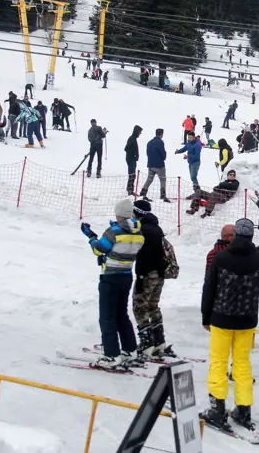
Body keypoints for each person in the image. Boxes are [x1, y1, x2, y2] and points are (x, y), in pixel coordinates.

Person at [201, 218, 259, 431]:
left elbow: (209, 288)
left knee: (218, 362)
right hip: (247, 321)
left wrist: (205, 317)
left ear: (235, 235)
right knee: (242, 364)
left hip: (221, 319)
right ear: (252, 236)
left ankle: (217, 410)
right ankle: (243, 410)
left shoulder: (221, 258)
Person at [80, 198, 141, 368]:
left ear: (118, 214)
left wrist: (91, 237)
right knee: (121, 314)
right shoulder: (138, 232)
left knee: (107, 317)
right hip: (127, 275)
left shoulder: (114, 231)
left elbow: (98, 249)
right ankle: (130, 349)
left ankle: (112, 355)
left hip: (111, 277)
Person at [131, 199, 176, 359]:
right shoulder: (156, 227)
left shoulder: (143, 230)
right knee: (153, 306)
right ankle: (159, 342)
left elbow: (144, 257)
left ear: (137, 213)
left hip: (147, 274)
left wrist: (140, 277)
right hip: (160, 273)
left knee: (140, 307)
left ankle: (146, 344)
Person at [140, 129, 170, 202]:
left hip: (150, 165)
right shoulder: (160, 142)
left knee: (149, 180)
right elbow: (163, 154)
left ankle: (143, 193)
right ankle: (163, 195)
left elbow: (147, 153)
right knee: (162, 180)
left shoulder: (149, 142)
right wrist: (164, 156)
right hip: (159, 165)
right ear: (161, 134)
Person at [125, 125, 143, 195]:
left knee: (132, 174)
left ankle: (129, 188)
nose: (140, 133)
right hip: (131, 159)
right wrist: (133, 155)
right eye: (140, 132)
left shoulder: (133, 138)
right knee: (132, 175)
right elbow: (126, 148)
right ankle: (130, 190)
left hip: (132, 159)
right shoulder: (132, 138)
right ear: (137, 131)